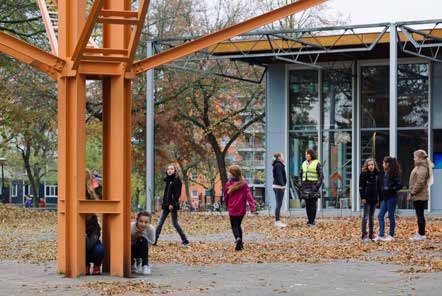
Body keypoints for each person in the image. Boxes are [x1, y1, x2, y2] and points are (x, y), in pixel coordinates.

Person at [154, 164, 189, 246]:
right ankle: (154, 240)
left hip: (172, 205)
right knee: (160, 223)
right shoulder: (168, 180)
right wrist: (164, 203)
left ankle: (185, 240)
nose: (169, 170)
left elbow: (177, 194)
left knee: (174, 223)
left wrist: (172, 204)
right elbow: (167, 194)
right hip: (165, 205)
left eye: (171, 169)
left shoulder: (177, 181)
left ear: (175, 171)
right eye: (168, 169)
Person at [224, 165, 256, 251]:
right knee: (238, 225)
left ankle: (237, 238)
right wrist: (252, 207)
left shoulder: (228, 184)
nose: (228, 174)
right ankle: (240, 245)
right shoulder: (244, 184)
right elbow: (249, 196)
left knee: (234, 226)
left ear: (233, 174)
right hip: (241, 209)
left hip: (232, 208)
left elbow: (226, 196)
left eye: (229, 173)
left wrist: (226, 204)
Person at [408, 150, 434, 241]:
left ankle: (421, 234)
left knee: (420, 215)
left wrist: (412, 193)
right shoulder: (420, 166)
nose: (413, 158)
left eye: (414, 157)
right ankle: (420, 233)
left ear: (419, 157)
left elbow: (420, 182)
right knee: (419, 215)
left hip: (419, 195)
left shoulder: (422, 168)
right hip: (418, 195)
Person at [376, 156, 402, 242]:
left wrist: (390, 189)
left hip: (391, 198)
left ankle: (391, 235)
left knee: (391, 216)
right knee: (380, 215)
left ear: (388, 164)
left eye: (383, 163)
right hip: (385, 198)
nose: (382, 164)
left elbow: (399, 185)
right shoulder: (386, 173)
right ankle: (381, 235)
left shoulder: (395, 173)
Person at [299, 149, 323, 226]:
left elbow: (321, 176)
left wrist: (317, 187)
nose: (306, 155)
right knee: (307, 204)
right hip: (305, 186)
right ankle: (309, 220)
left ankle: (312, 221)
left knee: (312, 204)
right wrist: (300, 183)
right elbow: (300, 174)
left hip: (313, 186)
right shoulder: (303, 163)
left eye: (307, 154)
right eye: (305, 154)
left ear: (311, 155)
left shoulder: (317, 163)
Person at [359, 158, 381, 241]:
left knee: (371, 217)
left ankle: (371, 234)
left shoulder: (377, 174)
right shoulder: (363, 174)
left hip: (374, 198)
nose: (371, 166)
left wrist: (379, 198)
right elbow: (361, 187)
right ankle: (364, 234)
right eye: (369, 165)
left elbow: (379, 187)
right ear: (366, 166)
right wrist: (362, 197)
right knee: (365, 217)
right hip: (366, 198)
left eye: (372, 164)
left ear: (374, 165)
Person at [272, 152, 287, 228]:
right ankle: (277, 221)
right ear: (279, 158)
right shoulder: (278, 165)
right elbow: (279, 175)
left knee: (279, 204)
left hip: (278, 186)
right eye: (282, 156)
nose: (283, 157)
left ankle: (277, 221)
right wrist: (283, 185)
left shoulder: (278, 164)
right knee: (279, 204)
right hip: (279, 186)